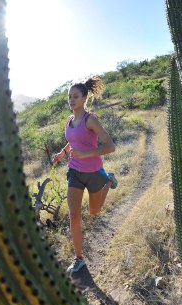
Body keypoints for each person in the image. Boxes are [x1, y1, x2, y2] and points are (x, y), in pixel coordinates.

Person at [52, 77, 117, 273]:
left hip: (94, 172)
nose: (71, 100)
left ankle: (109, 181)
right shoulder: (70, 120)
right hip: (75, 172)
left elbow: (110, 147)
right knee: (74, 215)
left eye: (75, 96)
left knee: (94, 212)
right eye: (69, 96)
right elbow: (73, 141)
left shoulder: (91, 120)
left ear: (84, 98)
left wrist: (86, 153)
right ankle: (79, 258)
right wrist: (62, 153)